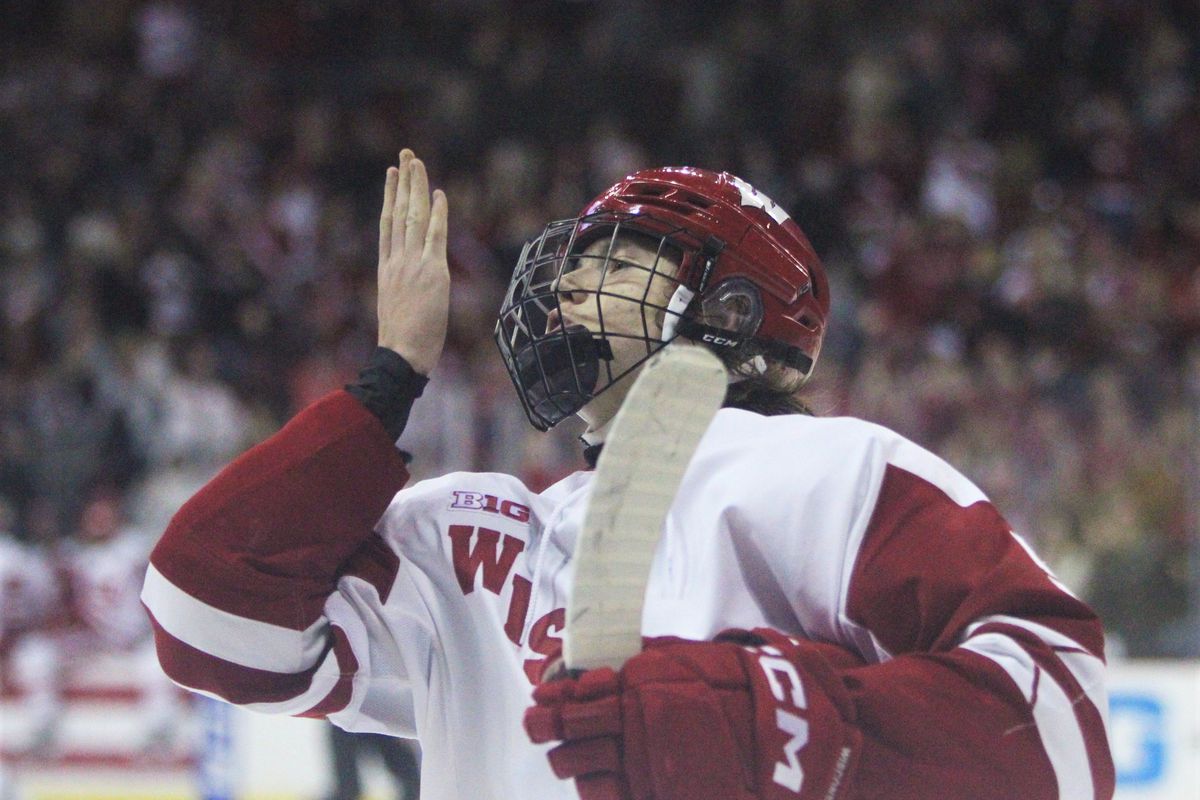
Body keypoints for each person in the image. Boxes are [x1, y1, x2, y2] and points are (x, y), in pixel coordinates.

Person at [142, 149, 1114, 799]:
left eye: (612, 262)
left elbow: (1065, 719)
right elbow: (203, 610)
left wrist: (771, 718)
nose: (563, 284)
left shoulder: (831, 467)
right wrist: (386, 383)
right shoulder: (469, 531)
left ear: (726, 310)